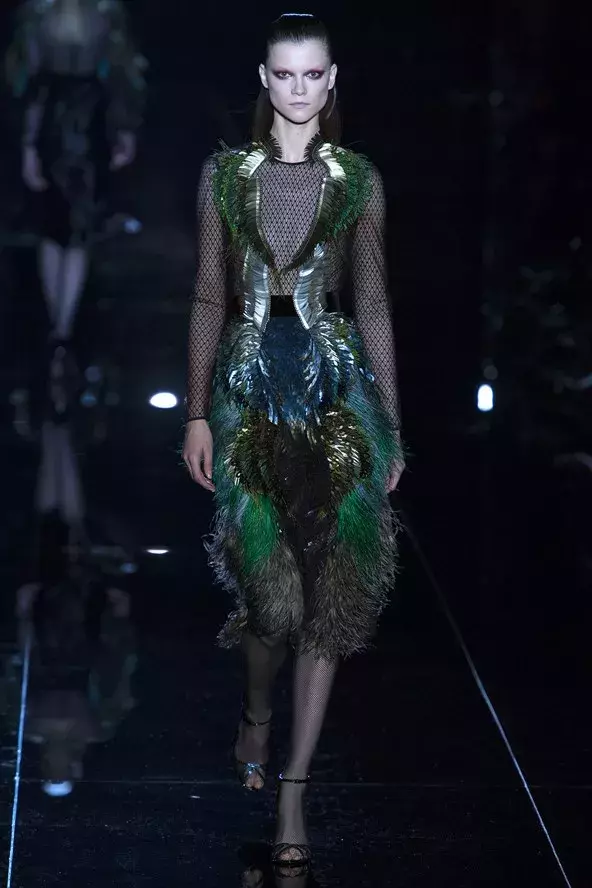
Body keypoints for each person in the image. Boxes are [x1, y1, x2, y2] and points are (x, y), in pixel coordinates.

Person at [182, 13, 405, 869]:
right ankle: (257, 713)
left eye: (314, 74)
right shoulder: (225, 178)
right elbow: (210, 294)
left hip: (335, 391)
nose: (300, 89)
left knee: (332, 595)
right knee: (270, 600)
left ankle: (294, 793)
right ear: (265, 79)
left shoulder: (357, 181)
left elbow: (372, 301)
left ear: (332, 79)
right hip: (247, 391)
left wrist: (392, 426)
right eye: (285, 74)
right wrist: (195, 412)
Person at [5, 0, 145, 369]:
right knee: (55, 228)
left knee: (77, 228)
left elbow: (122, 71)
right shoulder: (39, 15)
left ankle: (62, 328)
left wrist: (123, 129)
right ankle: (59, 327)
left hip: (87, 126)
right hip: (55, 126)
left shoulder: (103, 14)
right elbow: (26, 81)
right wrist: (28, 147)